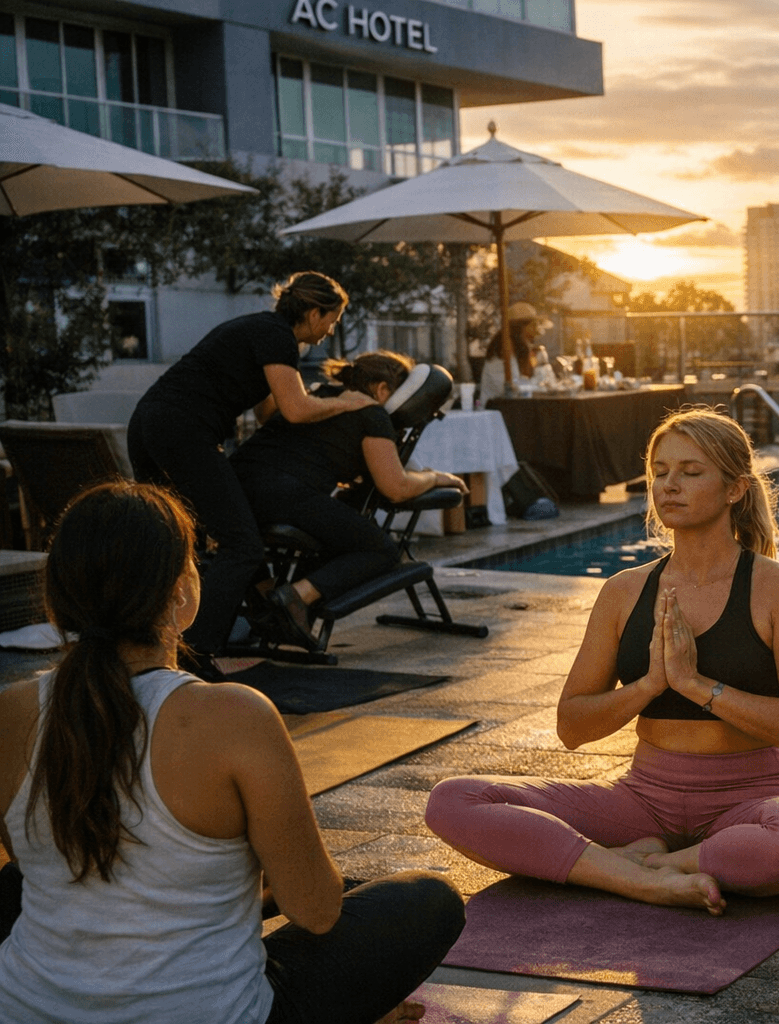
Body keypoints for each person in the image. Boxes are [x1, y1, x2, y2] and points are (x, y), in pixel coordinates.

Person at [0, 482, 464, 1024]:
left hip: (26, 1009)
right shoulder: (236, 717)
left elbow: (32, 866)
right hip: (211, 1014)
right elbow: (315, 910)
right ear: (181, 591)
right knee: (426, 899)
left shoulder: (11, 710)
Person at [425, 408, 779, 914]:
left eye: (691, 472)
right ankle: (641, 878)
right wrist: (648, 686)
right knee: (453, 800)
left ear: (735, 489)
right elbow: (571, 726)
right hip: (644, 798)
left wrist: (696, 685)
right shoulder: (623, 592)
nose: (670, 485)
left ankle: (656, 864)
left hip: (751, 797)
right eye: (660, 472)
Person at [128, 272, 375, 677]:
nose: (331, 330)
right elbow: (296, 409)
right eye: (332, 319)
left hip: (151, 423)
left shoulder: (261, 330)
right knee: (242, 545)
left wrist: (318, 405)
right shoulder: (277, 335)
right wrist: (346, 404)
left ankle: (150, 640)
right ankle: (196, 656)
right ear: (314, 312)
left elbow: (271, 413)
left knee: (169, 539)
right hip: (183, 430)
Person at [229, 351, 468, 649]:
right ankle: (294, 598)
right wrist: (435, 477)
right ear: (382, 389)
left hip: (234, 489)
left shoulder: (315, 395)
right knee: (380, 549)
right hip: (284, 495)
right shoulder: (370, 413)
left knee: (333, 530)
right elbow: (396, 487)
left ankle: (267, 609)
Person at [477, 301, 552, 402]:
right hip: (494, 411)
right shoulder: (504, 347)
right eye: (534, 324)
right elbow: (510, 389)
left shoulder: (518, 348)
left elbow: (520, 381)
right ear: (521, 326)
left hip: (508, 407)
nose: (536, 329)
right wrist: (541, 387)